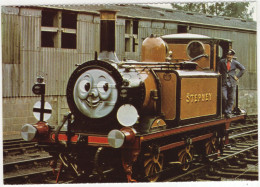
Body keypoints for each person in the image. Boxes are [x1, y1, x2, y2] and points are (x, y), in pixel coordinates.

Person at [217, 49, 245, 118]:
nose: (229, 56)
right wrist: (218, 73)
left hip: (232, 82)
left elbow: (243, 69)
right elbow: (218, 68)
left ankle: (228, 112)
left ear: (232, 56)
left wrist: (237, 77)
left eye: (231, 55)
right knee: (224, 97)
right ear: (226, 55)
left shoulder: (235, 63)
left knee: (231, 98)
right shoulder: (222, 61)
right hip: (223, 82)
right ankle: (224, 110)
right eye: (228, 55)